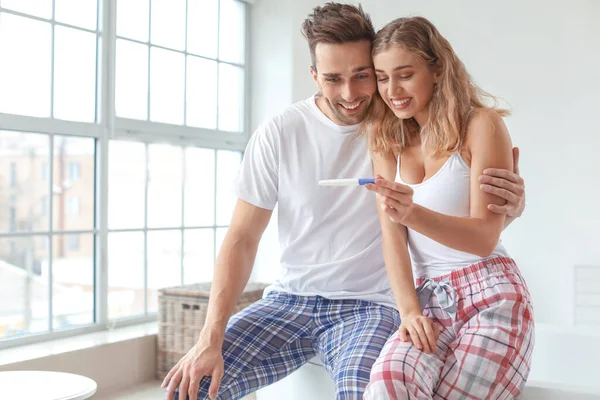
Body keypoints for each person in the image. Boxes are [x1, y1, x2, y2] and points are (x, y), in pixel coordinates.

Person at [162, 4, 526, 400]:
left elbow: (450, 202)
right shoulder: (282, 131)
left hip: (368, 306)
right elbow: (242, 237)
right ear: (314, 75)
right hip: (290, 300)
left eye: (362, 76)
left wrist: (509, 210)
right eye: (333, 79)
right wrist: (209, 337)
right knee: (190, 389)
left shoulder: (390, 129)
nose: (350, 94)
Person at [361, 16, 534, 399]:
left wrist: (411, 212)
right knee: (388, 384)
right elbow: (393, 239)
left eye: (404, 74)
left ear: (437, 68)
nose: (392, 90)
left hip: (491, 296)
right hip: (427, 300)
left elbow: (483, 239)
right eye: (383, 77)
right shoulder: (385, 141)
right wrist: (409, 311)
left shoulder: (481, 125)